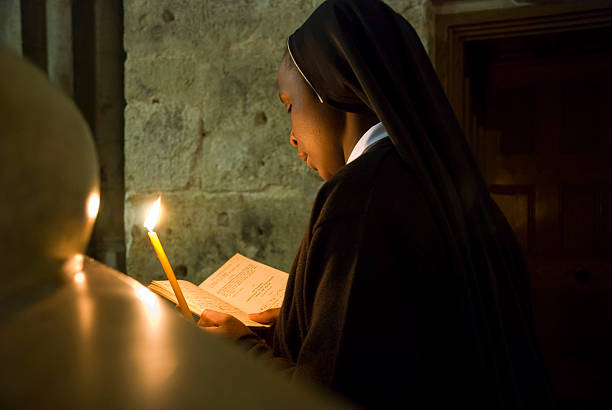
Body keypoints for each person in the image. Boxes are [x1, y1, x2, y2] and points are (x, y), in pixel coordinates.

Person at [198, 1, 555, 408]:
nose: (292, 136)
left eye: (289, 105)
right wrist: (309, 322)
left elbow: (334, 395)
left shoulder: (360, 195)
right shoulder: (438, 179)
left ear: (327, 86)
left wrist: (243, 350)